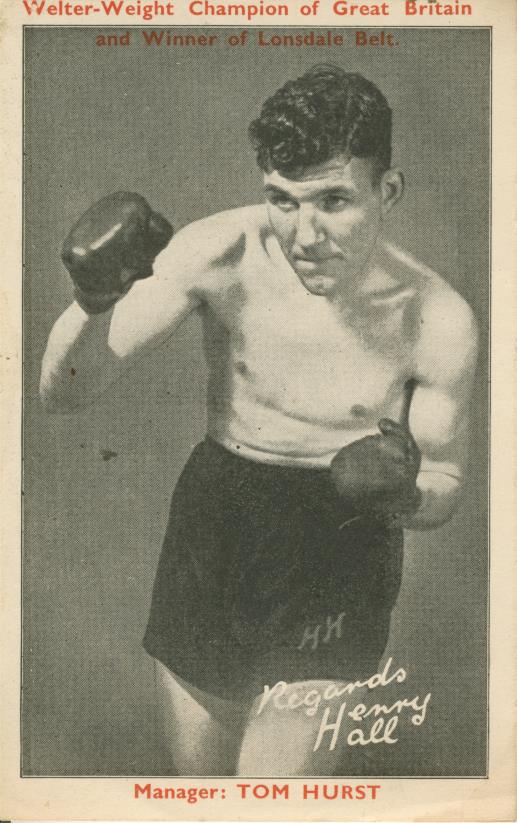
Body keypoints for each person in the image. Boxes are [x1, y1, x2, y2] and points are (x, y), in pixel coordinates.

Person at [40, 65, 478, 776]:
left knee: (275, 796)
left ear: (387, 190)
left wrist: (402, 495)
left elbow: (447, 479)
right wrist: (92, 301)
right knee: (204, 793)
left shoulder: (436, 318)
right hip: (215, 523)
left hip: (338, 549)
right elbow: (63, 394)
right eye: (282, 199)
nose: (305, 234)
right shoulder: (220, 252)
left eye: (333, 200)